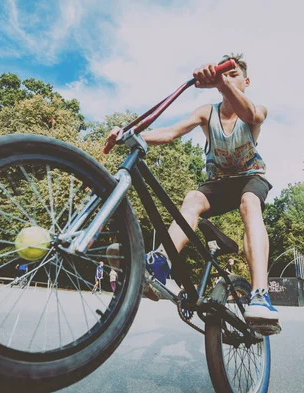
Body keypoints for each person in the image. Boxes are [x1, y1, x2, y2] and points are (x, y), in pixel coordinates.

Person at [107, 54, 279, 333]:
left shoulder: (257, 110)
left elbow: (250, 115)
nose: (228, 78)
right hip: (220, 183)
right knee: (192, 198)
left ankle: (261, 293)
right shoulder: (206, 112)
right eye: (224, 74)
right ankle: (160, 263)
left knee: (249, 203)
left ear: (246, 82)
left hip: (250, 179)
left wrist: (221, 82)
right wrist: (129, 133)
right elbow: (171, 132)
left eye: (233, 74)